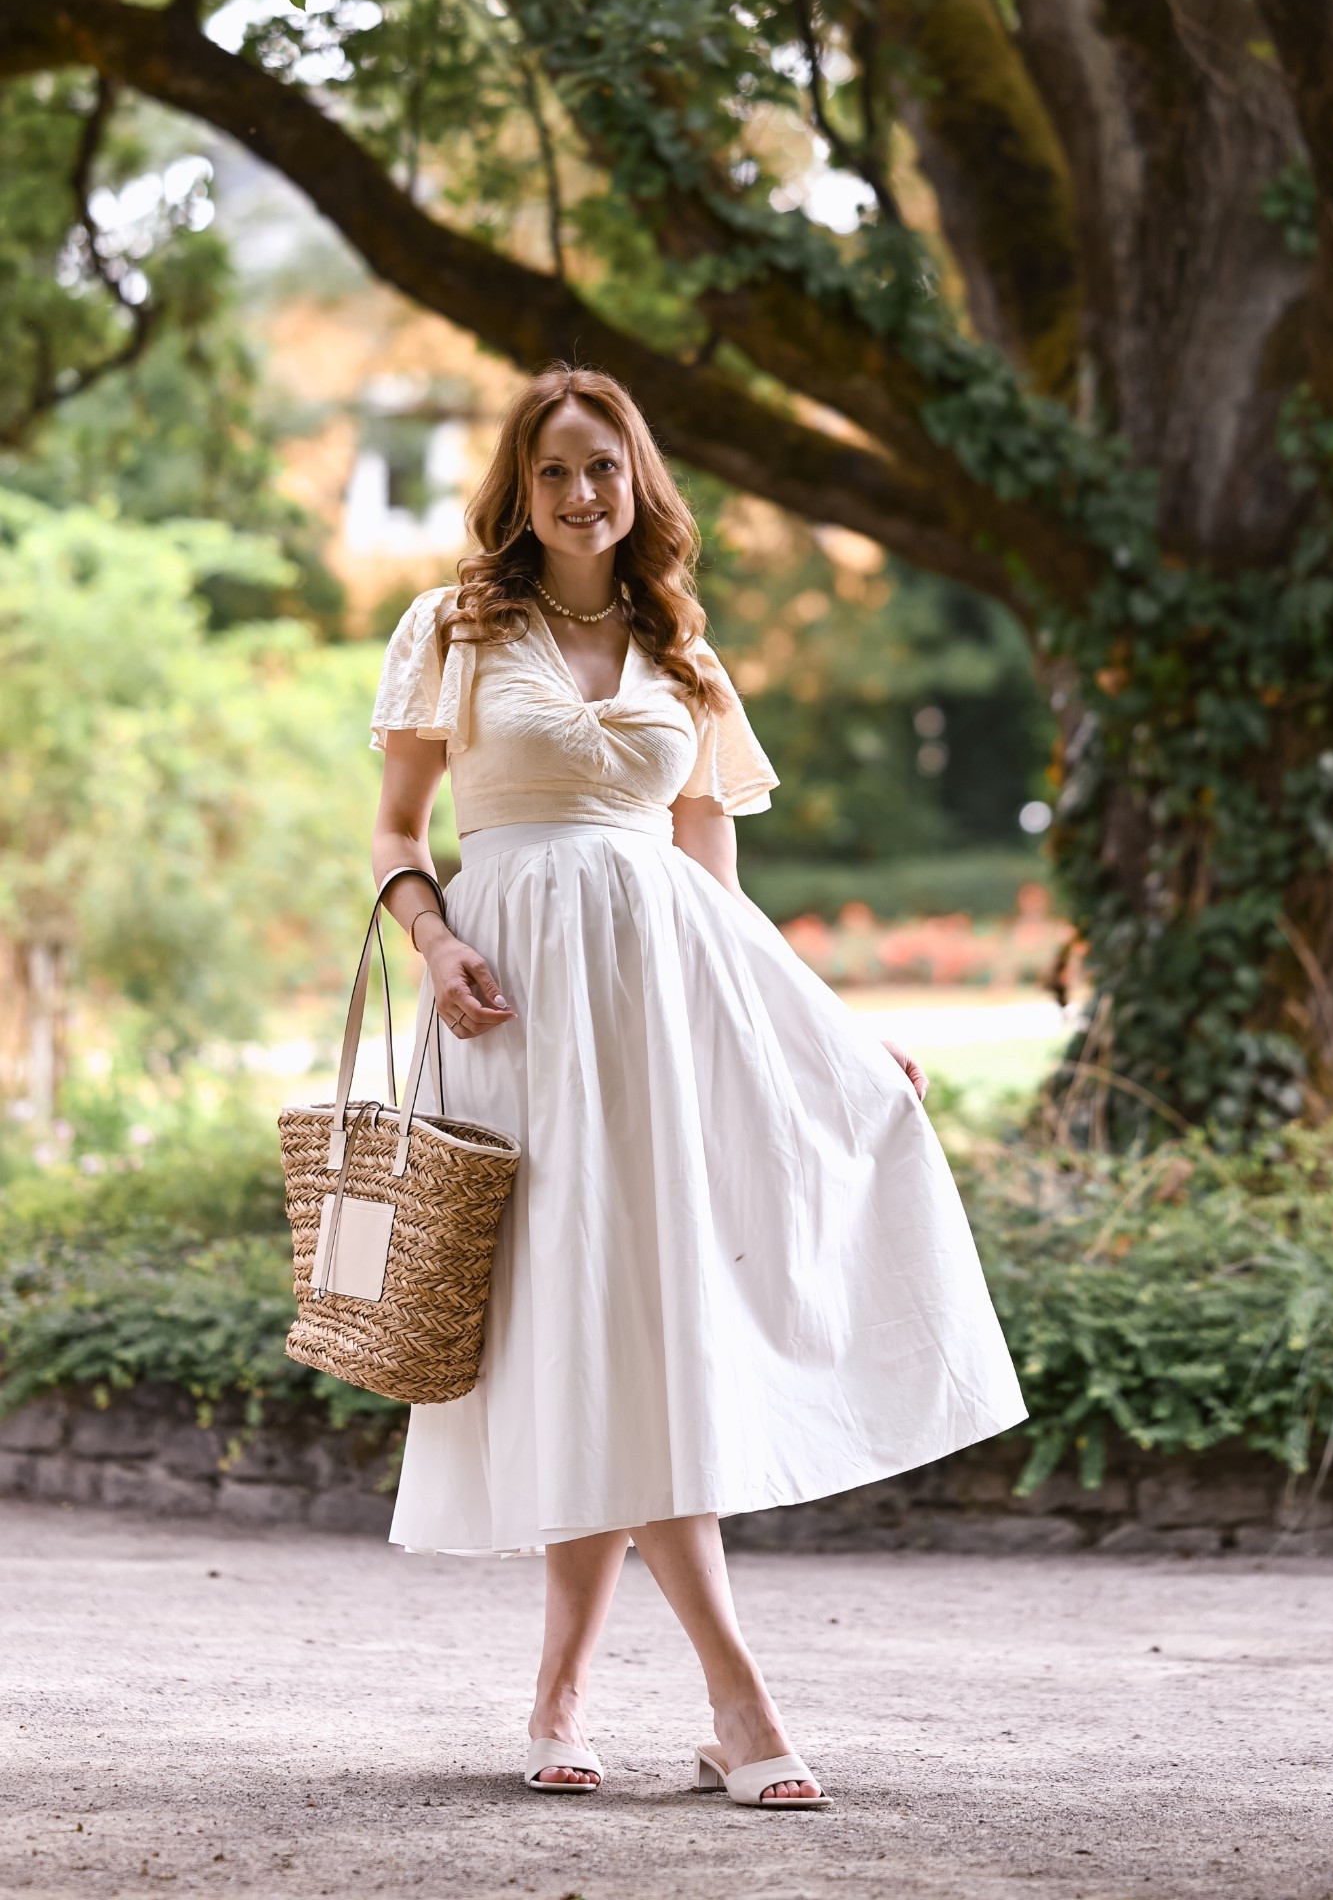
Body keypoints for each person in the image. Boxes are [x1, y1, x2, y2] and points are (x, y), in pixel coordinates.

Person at [369, 363, 1026, 1809]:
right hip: (518, 1012)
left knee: (636, 1338)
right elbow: (395, 832)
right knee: (586, 1334)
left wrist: (837, 1036)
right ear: (519, 488)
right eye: (555, 471)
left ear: (638, 479)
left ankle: (566, 1694)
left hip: (663, 1019)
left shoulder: (685, 652)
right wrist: (435, 943)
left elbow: (718, 889)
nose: (582, 492)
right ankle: (737, 1699)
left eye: (605, 466)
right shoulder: (455, 630)